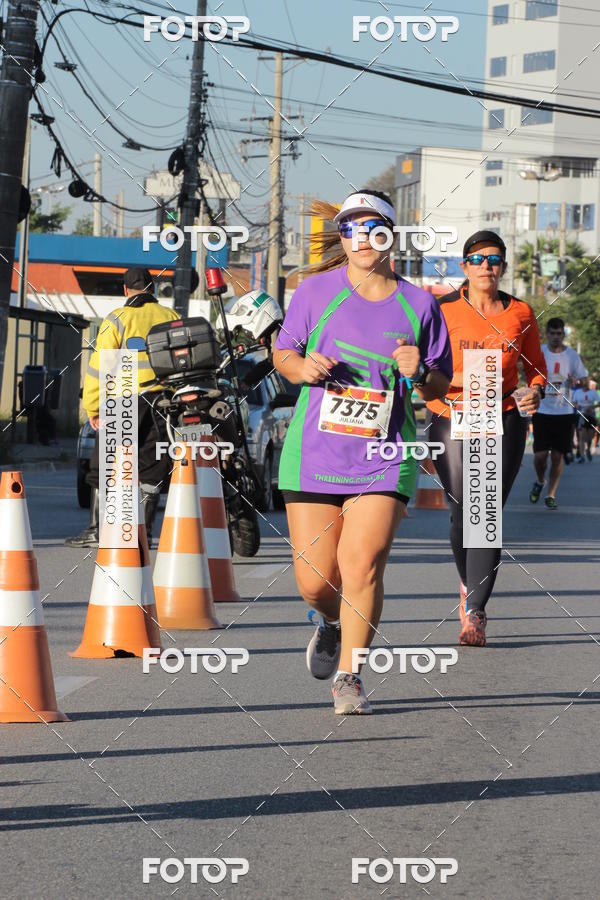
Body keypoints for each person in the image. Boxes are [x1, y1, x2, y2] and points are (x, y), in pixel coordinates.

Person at [272, 189, 452, 714]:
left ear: (389, 236)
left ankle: (349, 676)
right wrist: (298, 367)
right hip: (314, 453)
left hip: (385, 454)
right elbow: (284, 350)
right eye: (351, 228)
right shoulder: (314, 292)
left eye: (374, 229)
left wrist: (420, 369)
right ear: (343, 237)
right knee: (315, 580)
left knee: (363, 562)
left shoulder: (418, 304)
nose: (362, 238)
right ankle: (329, 622)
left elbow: (439, 385)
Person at [427, 231, 547, 647]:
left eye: (494, 259)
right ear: (464, 267)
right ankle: (468, 584)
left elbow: (536, 368)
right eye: (477, 259)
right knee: (463, 511)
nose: (486, 267)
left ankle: (475, 612)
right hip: (450, 414)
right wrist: (459, 378)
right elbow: (422, 363)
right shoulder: (441, 310)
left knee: (485, 512)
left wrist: (534, 390)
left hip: (503, 417)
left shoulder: (521, 312)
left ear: (504, 267)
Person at [66, 267, 180, 547]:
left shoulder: (116, 319)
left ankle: (97, 529)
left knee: (105, 465)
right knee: (153, 466)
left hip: (121, 402)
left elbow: (99, 368)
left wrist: (92, 407)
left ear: (125, 290)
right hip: (161, 403)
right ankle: (144, 532)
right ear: (153, 288)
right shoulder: (171, 317)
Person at [530, 318, 587, 508]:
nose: (555, 337)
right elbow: (528, 373)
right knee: (539, 457)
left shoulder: (572, 356)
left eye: (559, 333)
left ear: (563, 334)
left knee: (557, 456)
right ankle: (540, 481)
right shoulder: (540, 353)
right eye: (552, 333)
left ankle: (551, 494)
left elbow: (585, 381)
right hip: (542, 409)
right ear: (546, 334)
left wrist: (576, 382)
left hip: (564, 412)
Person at [572, 377, 600, 462]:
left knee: (589, 436)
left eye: (586, 382)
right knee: (581, 436)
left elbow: (599, 403)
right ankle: (582, 456)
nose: (585, 384)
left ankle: (588, 449)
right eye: (583, 382)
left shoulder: (593, 393)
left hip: (591, 415)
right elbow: (573, 402)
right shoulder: (577, 392)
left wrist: (592, 407)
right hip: (580, 415)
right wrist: (576, 406)